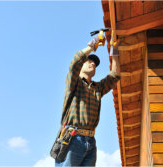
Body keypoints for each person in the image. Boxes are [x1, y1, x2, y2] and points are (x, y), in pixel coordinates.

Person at [55, 30, 120, 166]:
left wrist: (114, 50)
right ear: (81, 66)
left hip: (90, 141)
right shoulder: (74, 82)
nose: (92, 64)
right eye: (89, 61)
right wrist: (96, 41)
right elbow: (74, 63)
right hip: (71, 138)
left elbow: (115, 75)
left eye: (95, 64)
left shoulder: (97, 88)